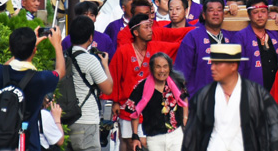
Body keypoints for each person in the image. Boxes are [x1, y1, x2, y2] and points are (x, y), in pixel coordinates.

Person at [182, 43, 278, 151]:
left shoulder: (255, 93)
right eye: (212, 63)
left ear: (233, 66)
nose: (212, 68)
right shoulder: (204, 95)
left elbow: (275, 126)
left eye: (217, 63)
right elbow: (193, 135)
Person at [110, 14, 182, 151]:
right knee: (128, 143)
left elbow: (178, 46)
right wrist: (115, 101)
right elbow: (115, 76)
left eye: (151, 27)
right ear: (136, 32)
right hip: (128, 104)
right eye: (146, 27)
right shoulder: (123, 51)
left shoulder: (156, 46)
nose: (151, 30)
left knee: (149, 143)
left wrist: (196, 30)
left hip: (151, 107)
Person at [0, 26, 66, 151]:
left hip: (2, 141)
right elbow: (60, 72)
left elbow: (6, 66)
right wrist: (58, 45)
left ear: (10, 49)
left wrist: (24, 47)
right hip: (29, 142)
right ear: (34, 51)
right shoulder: (40, 78)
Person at [68, 16, 114, 151]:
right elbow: (108, 88)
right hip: (86, 120)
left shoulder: (64, 57)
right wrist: (105, 65)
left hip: (66, 120)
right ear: (90, 37)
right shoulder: (90, 60)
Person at [126, 52, 188, 151]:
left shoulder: (177, 83)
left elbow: (184, 98)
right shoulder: (142, 87)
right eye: (158, 67)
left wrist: (185, 118)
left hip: (176, 134)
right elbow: (134, 112)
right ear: (151, 68)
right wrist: (135, 135)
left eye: (165, 66)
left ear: (169, 68)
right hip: (154, 137)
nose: (162, 70)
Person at [174, 0, 234, 95]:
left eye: (219, 10)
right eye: (211, 10)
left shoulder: (230, 37)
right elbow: (181, 72)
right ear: (204, 15)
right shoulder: (192, 37)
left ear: (223, 14)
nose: (215, 13)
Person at [236, 0, 278, 90]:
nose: (260, 15)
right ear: (249, 15)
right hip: (251, 91)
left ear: (268, 13)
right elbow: (238, 68)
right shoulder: (240, 37)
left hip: (275, 91)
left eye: (263, 11)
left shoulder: (276, 35)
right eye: (255, 12)